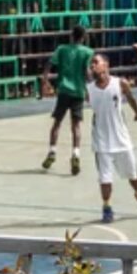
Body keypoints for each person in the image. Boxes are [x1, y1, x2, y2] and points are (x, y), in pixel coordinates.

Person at [85, 55, 137, 224]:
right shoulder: (89, 89)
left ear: (106, 64)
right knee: (105, 179)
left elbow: (130, 98)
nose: (93, 65)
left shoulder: (120, 83)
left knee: (133, 175)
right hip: (102, 142)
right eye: (91, 63)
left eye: (96, 62)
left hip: (121, 140)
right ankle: (107, 207)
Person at [41, 25, 94, 172]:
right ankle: (76, 153)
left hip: (64, 90)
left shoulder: (62, 49)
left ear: (72, 35)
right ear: (83, 37)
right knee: (76, 125)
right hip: (78, 92)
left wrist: (45, 80)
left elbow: (49, 63)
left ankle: (52, 151)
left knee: (57, 122)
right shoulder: (87, 52)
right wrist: (91, 89)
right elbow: (87, 72)